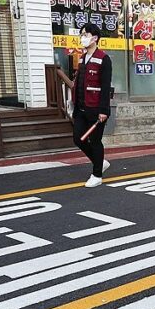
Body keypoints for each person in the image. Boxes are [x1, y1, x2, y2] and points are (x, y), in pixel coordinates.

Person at [59, 22, 112, 188]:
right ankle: (100, 162)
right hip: (81, 108)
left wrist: (104, 111)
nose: (82, 38)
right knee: (78, 138)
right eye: (81, 35)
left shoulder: (104, 59)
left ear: (94, 38)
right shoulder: (82, 58)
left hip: (96, 109)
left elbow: (105, 87)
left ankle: (97, 175)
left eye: (85, 35)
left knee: (95, 141)